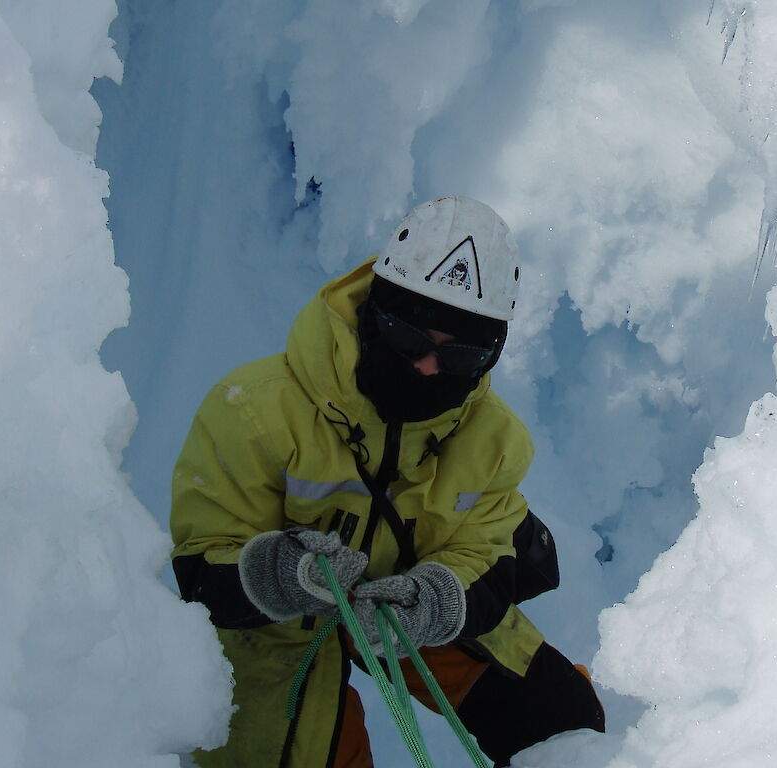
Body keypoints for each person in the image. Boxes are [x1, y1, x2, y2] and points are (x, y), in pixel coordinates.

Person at [169, 196, 606, 767]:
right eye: (410, 339)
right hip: (274, 629)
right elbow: (201, 564)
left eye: (461, 355)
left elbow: (487, 552)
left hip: (409, 605)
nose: (427, 367)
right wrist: (274, 574)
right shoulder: (252, 411)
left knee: (561, 717)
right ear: (376, 316)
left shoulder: (494, 440)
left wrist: (439, 600)